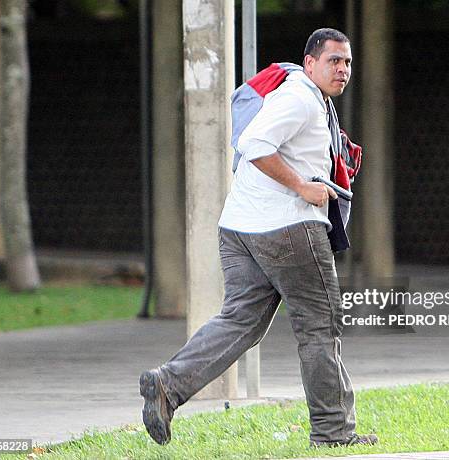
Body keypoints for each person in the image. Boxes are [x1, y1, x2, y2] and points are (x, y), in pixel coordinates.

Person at [139, 27, 378, 448]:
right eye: (333, 61)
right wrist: (302, 187)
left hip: (240, 227)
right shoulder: (300, 98)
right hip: (288, 229)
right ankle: (333, 432)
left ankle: (167, 386)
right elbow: (254, 143)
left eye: (348, 62)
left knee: (240, 321)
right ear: (310, 63)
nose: (342, 70)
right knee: (319, 328)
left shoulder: (305, 97)